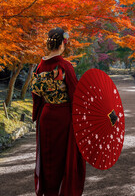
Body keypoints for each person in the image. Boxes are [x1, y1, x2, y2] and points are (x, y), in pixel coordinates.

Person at [31, 27, 86, 196]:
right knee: (64, 160)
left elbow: (36, 96)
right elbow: (76, 96)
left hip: (46, 115)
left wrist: (37, 114)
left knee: (48, 159)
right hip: (63, 117)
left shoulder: (40, 66)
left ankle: (49, 192)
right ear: (63, 43)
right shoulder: (65, 66)